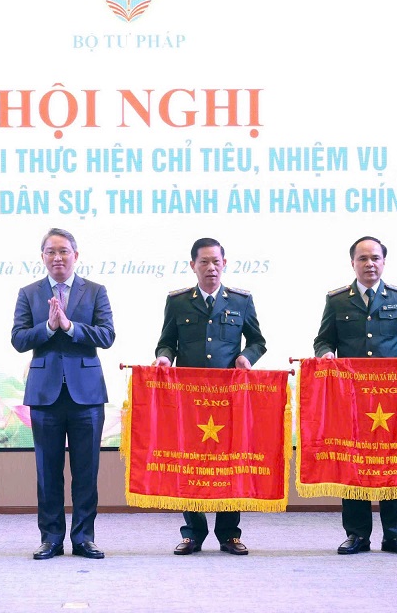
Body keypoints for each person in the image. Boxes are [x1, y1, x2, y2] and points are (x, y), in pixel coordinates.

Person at [313, 235, 397, 557]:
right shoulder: (337, 300)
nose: (369, 264)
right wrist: (325, 354)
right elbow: (323, 340)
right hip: (351, 397)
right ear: (353, 263)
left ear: (383, 262)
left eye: (375, 258)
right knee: (353, 463)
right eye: (362, 258)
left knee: (393, 462)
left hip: (391, 397)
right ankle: (357, 535)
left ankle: (395, 536)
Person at [154, 237, 267, 556]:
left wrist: (246, 357)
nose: (211, 267)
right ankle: (192, 532)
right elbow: (167, 342)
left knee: (229, 461)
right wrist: (164, 357)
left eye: (216, 261)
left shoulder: (241, 300)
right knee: (190, 461)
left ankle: (229, 533)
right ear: (193, 265)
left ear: (224, 264)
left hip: (228, 397)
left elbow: (258, 342)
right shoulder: (178, 301)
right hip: (189, 399)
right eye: (204, 262)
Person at [11, 228, 115, 560]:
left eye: (64, 251)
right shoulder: (29, 293)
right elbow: (18, 339)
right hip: (45, 394)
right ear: (42, 257)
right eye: (51, 252)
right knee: (48, 471)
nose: (57, 258)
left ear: (75, 255)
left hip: (87, 394)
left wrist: (70, 327)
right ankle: (51, 537)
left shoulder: (95, 291)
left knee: (86, 471)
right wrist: (48, 328)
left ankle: (84, 538)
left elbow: (107, 335)